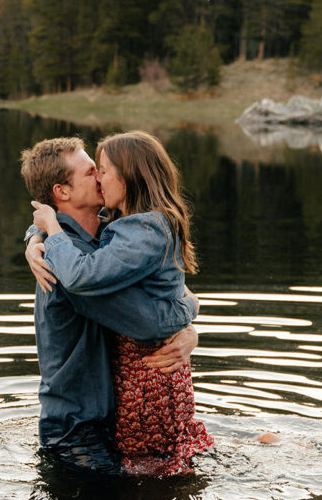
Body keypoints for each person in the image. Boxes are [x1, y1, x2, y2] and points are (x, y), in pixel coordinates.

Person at [31, 131, 214, 476]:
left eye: (101, 169)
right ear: (62, 192)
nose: (99, 177)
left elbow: (163, 290)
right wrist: (189, 316)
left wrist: (190, 330)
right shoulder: (67, 261)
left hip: (107, 419)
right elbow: (150, 323)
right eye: (91, 172)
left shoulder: (103, 238)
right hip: (79, 433)